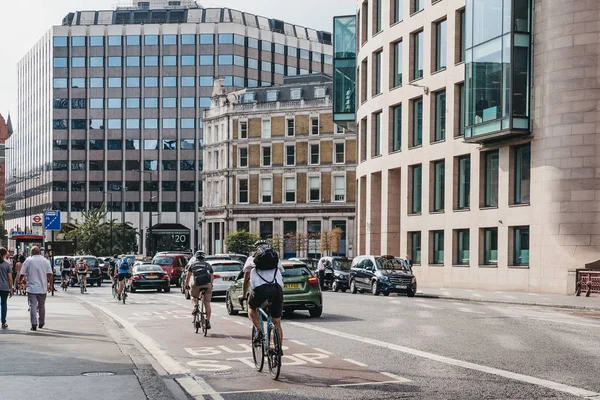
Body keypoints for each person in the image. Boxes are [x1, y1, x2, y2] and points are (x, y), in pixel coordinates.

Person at [238, 240, 284, 348]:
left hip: (260, 289)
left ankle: (259, 331)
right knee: (277, 322)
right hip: (277, 289)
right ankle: (278, 349)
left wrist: (244, 295)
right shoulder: (275, 257)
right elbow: (281, 271)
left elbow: (246, 280)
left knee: (251, 307)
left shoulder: (251, 258)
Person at [19, 246, 52, 331]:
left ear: (32, 252)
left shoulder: (28, 260)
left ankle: (34, 324)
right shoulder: (45, 260)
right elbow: (50, 274)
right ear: (39, 252)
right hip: (42, 287)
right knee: (42, 305)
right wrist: (50, 285)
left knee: (32, 305)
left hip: (31, 288)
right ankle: (41, 322)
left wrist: (20, 282)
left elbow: (22, 273)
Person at [184, 251, 214, 329]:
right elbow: (211, 276)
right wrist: (210, 284)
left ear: (196, 257)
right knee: (207, 302)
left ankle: (196, 306)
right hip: (207, 285)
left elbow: (188, 276)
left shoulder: (192, 264)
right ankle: (207, 320)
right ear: (204, 257)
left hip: (196, 284)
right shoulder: (208, 265)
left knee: (193, 296)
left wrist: (186, 286)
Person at [0, 248, 14, 329]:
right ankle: (3, 322)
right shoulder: (6, 265)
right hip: (4, 287)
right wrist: (11, 288)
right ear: (4, 255)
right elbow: (10, 278)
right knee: (4, 304)